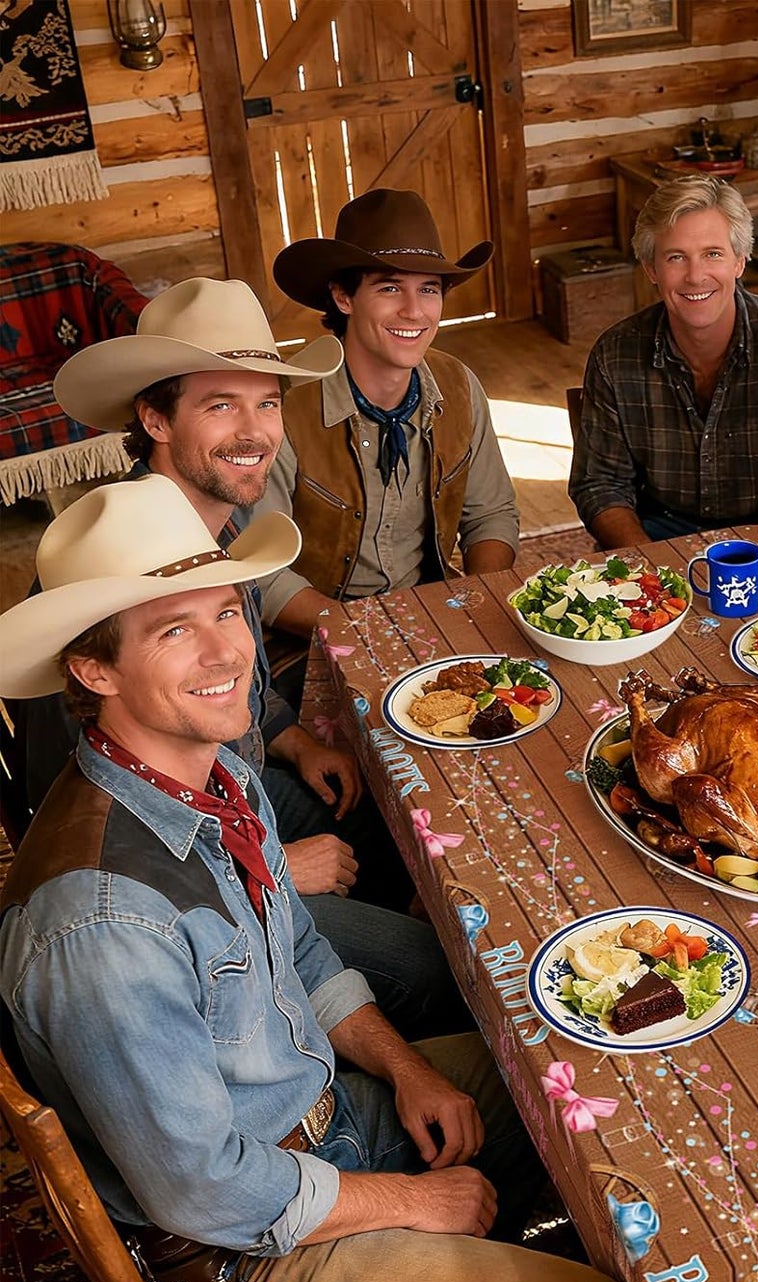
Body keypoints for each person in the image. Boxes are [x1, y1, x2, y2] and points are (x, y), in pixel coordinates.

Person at [0, 482, 629, 1282]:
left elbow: (296, 946)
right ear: (94, 668)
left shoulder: (215, 775)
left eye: (226, 610)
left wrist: (408, 1068)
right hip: (244, 1249)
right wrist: (411, 1199)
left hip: (318, 1121)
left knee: (565, 1082)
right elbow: (204, 1188)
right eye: (174, 631)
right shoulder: (102, 924)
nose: (227, 651)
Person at [47, 281, 464, 1037]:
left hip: (237, 784)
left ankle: (363, 980)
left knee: (394, 805)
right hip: (182, 859)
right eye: (220, 405)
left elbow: (230, 675)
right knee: (435, 969)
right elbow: (109, 805)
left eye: (267, 403)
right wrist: (272, 868)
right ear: (154, 419)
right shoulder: (119, 563)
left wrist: (293, 738)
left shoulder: (222, 524)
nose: (255, 432)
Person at [258, 188, 520, 645]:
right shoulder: (284, 408)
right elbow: (263, 574)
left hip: (433, 614)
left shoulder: (458, 386)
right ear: (343, 297)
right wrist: (371, 633)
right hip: (314, 634)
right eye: (390, 287)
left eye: (429, 289)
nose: (414, 311)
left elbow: (492, 514)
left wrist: (475, 605)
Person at [569, 174, 758, 545]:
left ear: (740, 261)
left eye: (713, 254)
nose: (696, 276)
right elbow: (600, 484)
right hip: (659, 530)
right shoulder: (614, 354)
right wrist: (652, 564)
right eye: (676, 257)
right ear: (651, 269)